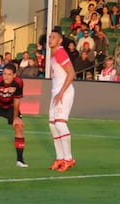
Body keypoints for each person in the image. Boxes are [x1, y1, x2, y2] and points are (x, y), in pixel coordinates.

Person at [48, 27, 76, 172]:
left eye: (53, 37)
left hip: (63, 93)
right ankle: (60, 158)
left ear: (60, 40)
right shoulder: (53, 55)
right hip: (56, 93)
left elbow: (72, 74)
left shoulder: (60, 52)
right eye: (49, 37)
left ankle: (68, 158)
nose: (50, 39)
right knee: (52, 125)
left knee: (60, 124)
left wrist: (61, 92)